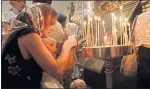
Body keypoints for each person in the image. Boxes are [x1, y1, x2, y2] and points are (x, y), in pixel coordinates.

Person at [2, 3, 77, 88]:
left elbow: (66, 69)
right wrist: (67, 45)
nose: (51, 28)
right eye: (50, 23)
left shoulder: (19, 33)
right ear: (40, 18)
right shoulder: (28, 34)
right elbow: (57, 71)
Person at [131, 10, 150, 88]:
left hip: (143, 51)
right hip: (143, 52)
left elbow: (132, 37)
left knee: (144, 80)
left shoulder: (139, 17)